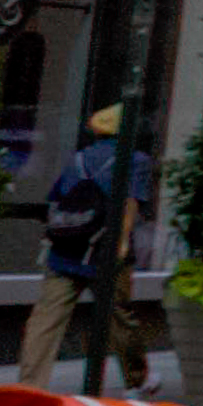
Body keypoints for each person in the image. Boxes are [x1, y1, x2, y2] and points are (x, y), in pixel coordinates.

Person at [25, 106, 143, 385]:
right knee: (119, 318)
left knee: (44, 323)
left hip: (65, 251)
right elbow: (131, 201)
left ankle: (30, 386)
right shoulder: (135, 160)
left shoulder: (77, 159)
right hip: (105, 252)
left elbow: (57, 198)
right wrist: (122, 243)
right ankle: (136, 380)